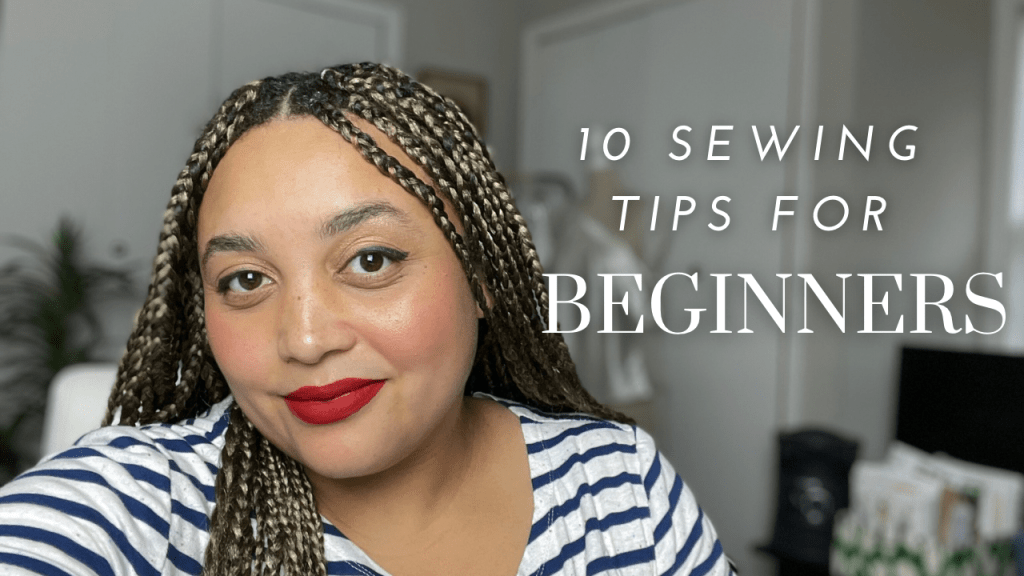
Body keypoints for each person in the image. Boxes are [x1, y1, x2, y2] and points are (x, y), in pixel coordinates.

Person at [0, 63, 733, 575]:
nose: (305, 339)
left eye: (371, 260)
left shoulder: (620, 485)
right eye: (246, 279)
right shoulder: (144, 510)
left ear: (481, 278)